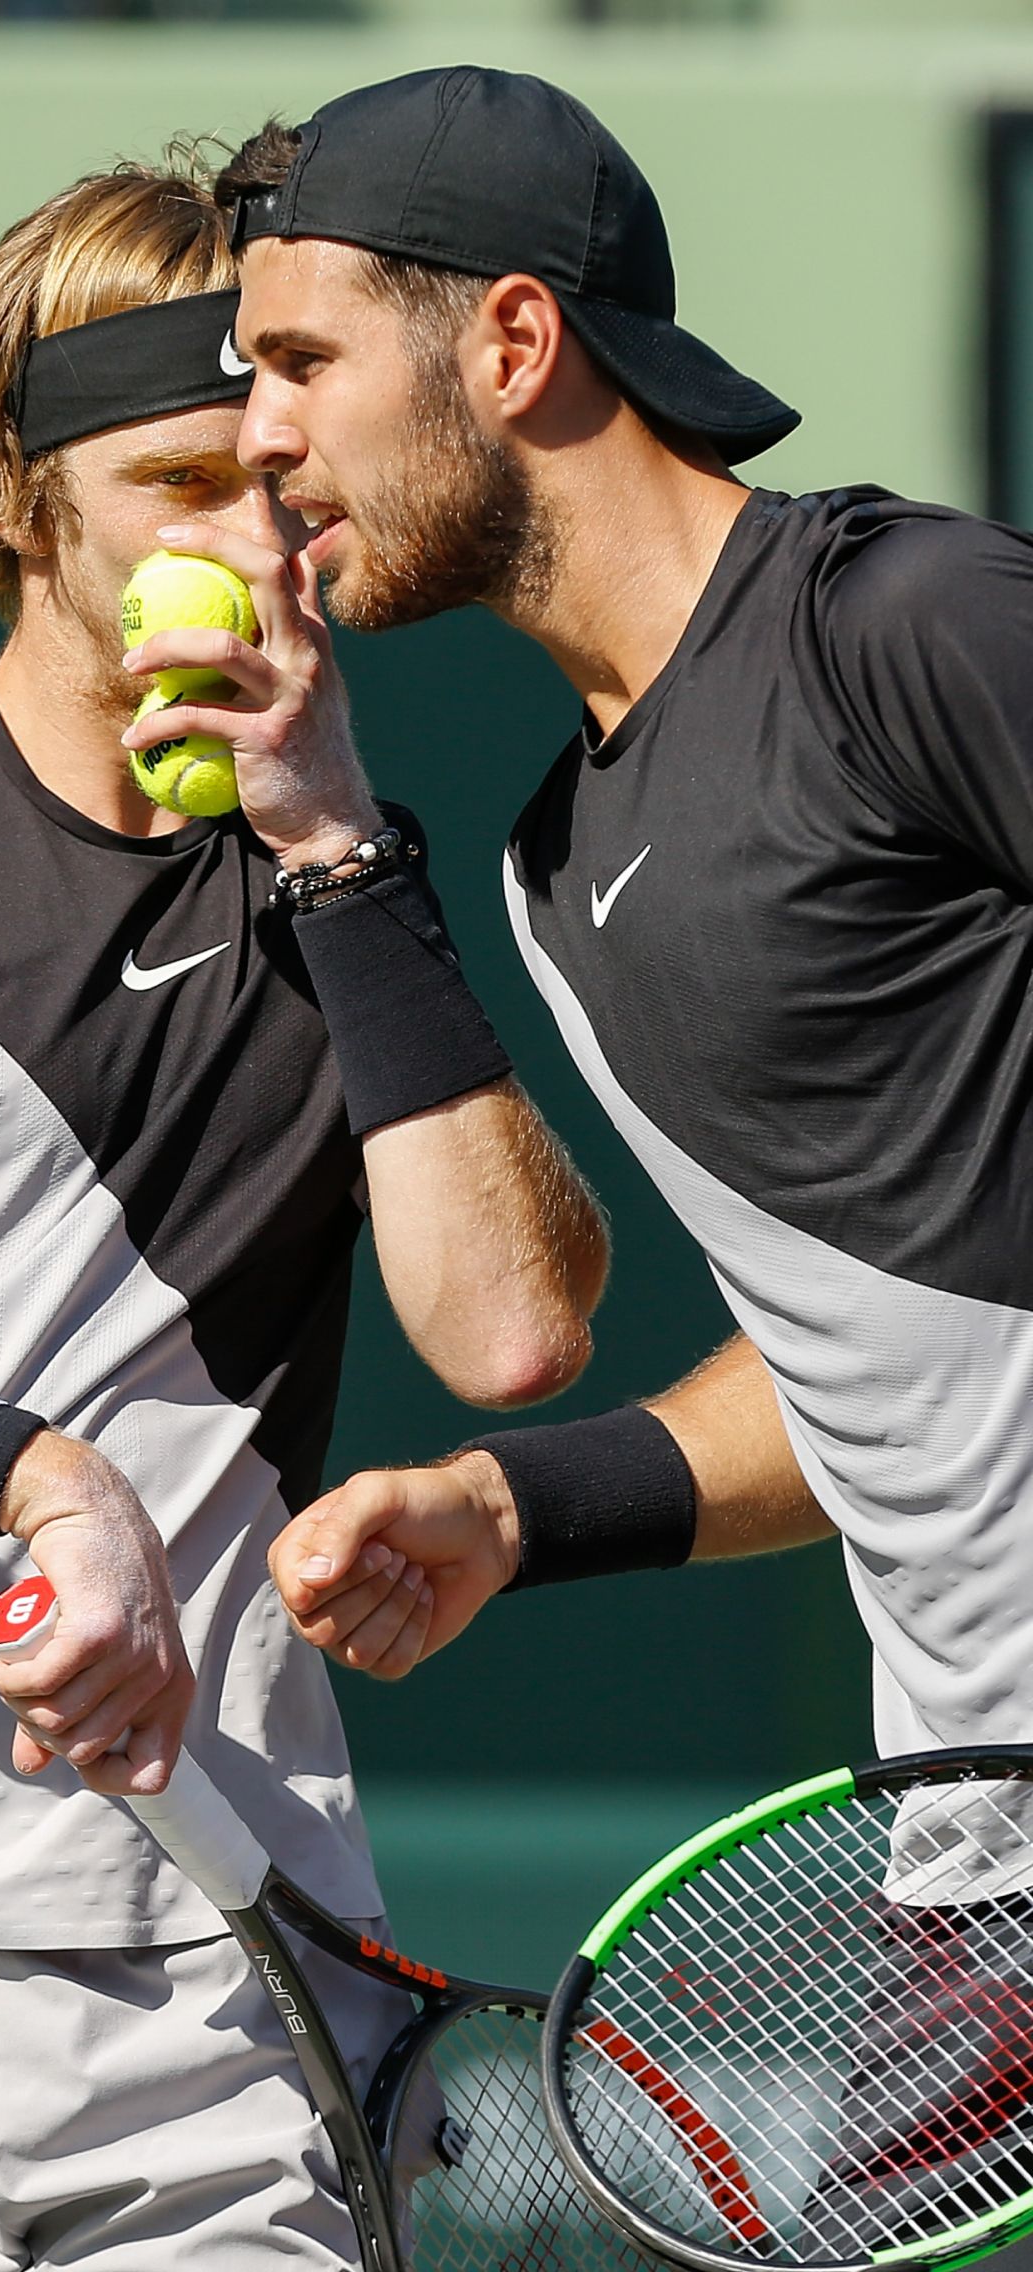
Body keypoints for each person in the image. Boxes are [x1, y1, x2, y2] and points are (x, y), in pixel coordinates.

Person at [0, 147, 607, 2267]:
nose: (251, 553)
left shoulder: (359, 892)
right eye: (171, 488)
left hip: (219, 1982)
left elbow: (511, 1332)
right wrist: (39, 1476)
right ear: (22, 501)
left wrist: (337, 855)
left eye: (276, 487)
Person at [182, 68, 1033, 1765]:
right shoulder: (553, 870)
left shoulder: (913, 625)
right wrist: (520, 1508)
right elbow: (903, 1388)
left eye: (303, 365)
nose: (261, 441)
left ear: (510, 342)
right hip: (969, 1855)